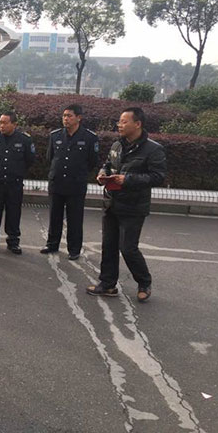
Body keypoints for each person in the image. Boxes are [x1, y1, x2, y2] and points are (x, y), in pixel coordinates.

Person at [87, 107, 167, 302]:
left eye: (124, 122)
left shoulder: (153, 149)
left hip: (133, 206)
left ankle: (144, 282)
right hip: (111, 203)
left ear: (137, 124)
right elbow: (108, 164)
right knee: (109, 246)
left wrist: (128, 179)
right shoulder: (117, 145)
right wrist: (102, 174)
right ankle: (107, 284)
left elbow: (158, 176)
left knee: (128, 248)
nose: (119, 125)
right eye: (119, 121)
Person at [40, 105, 99, 260]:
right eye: (64, 116)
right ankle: (52, 244)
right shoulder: (55, 135)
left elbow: (92, 161)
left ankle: (74, 249)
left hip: (76, 184)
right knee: (55, 216)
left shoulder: (89, 137)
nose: (66, 119)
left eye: (69, 116)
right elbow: (50, 157)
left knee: (75, 218)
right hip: (57, 182)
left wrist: (78, 173)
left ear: (79, 118)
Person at [0, 113, 35, 254]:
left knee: (13, 213)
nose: (2, 126)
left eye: (5, 123)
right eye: (0, 122)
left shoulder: (24, 139)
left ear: (14, 124)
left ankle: (13, 241)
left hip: (14, 184)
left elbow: (29, 160)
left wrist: (17, 172)